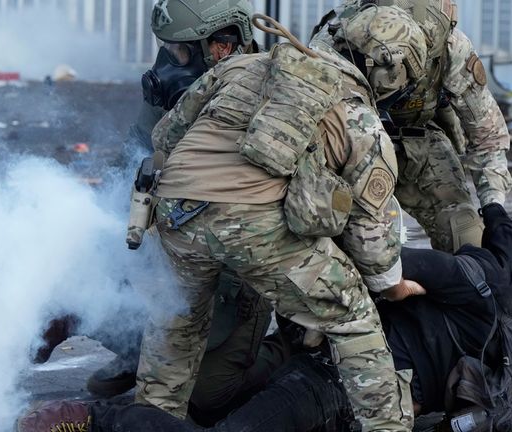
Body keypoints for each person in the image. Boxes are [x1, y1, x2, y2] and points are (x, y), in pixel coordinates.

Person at [18, 202, 512, 432]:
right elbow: (396, 265)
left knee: (206, 394)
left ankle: (103, 364)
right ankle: (99, 413)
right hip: (325, 375)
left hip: (316, 364)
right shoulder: (480, 296)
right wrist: (385, 288)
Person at [134, 6, 427, 431]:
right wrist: (394, 286)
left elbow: (166, 135)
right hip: (251, 225)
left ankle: (146, 419)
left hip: (176, 212)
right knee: (352, 317)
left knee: (178, 323)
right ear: (390, 71)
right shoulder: (362, 119)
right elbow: (371, 236)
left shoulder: (247, 64)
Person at [30, 1, 278, 418]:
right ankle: (138, 349)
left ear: (222, 44)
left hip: (237, 261)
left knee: (208, 400)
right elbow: (134, 156)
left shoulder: (272, 92)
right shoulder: (176, 75)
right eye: (168, 48)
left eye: (181, 51)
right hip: (173, 242)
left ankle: (285, 350)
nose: (171, 61)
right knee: (87, 271)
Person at [311, 0, 512, 254]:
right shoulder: (340, 40)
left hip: (416, 140)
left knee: (465, 234)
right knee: (330, 238)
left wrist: (494, 208)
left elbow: (487, 137)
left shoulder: (450, 49)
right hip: (349, 149)